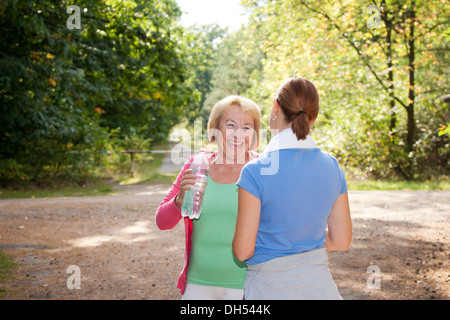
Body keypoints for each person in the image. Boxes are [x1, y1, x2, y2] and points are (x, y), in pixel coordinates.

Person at [232, 77, 352, 300]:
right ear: (312, 118)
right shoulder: (332, 166)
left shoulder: (255, 171)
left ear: (276, 107)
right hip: (321, 290)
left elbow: (242, 250)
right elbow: (341, 240)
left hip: (269, 290)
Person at [156, 95, 261, 300]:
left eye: (247, 127)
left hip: (247, 284)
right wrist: (179, 200)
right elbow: (162, 221)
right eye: (231, 125)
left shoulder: (262, 170)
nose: (238, 134)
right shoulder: (196, 166)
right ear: (215, 128)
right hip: (198, 284)